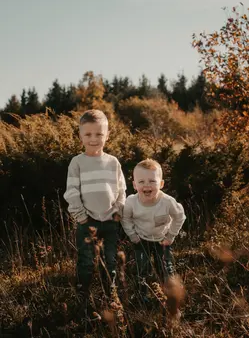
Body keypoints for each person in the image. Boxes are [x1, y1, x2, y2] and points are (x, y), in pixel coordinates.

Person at [64, 109, 126, 319]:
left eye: (99, 134)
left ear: (107, 135)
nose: (93, 139)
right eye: (88, 134)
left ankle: (111, 297)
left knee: (110, 261)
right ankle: (82, 299)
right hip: (87, 221)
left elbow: (121, 190)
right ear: (81, 136)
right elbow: (71, 192)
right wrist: (81, 216)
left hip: (109, 221)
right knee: (86, 261)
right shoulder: (77, 162)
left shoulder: (113, 162)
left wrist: (118, 210)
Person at [121, 158, 186, 305]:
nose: (147, 185)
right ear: (134, 185)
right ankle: (141, 296)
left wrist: (170, 236)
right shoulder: (131, 202)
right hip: (141, 240)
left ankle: (170, 295)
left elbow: (180, 217)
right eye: (141, 182)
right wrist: (132, 235)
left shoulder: (167, 202)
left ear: (161, 184)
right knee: (141, 268)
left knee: (165, 268)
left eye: (152, 181)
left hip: (162, 240)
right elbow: (126, 219)